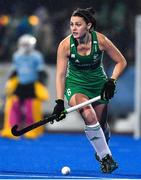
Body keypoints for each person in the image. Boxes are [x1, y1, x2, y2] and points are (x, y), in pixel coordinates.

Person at [52, 7, 127, 173]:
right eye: (72, 24)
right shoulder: (65, 45)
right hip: (76, 85)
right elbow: (60, 75)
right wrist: (59, 102)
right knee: (88, 113)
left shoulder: (100, 40)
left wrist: (111, 81)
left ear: (89, 26)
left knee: (100, 126)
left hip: (98, 84)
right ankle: (107, 158)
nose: (74, 28)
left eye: (78, 24)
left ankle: (102, 146)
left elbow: (121, 61)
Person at [1, 34, 49, 139]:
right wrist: (9, 82)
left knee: (31, 109)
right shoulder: (17, 55)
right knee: (13, 107)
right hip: (19, 84)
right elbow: (14, 70)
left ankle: (32, 131)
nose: (25, 46)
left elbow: (41, 72)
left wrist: (42, 84)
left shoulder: (37, 56)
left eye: (27, 44)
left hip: (32, 85)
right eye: (23, 44)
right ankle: (11, 130)